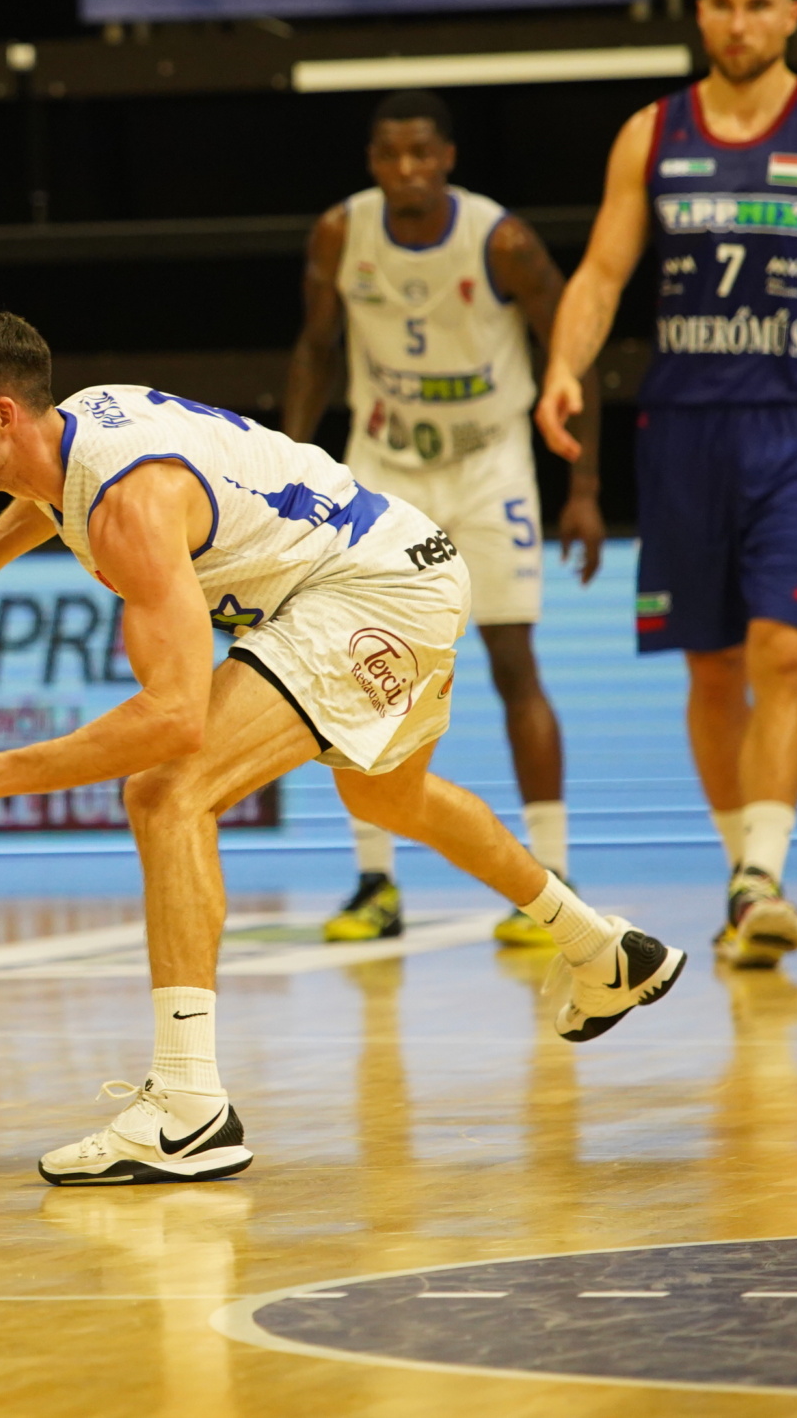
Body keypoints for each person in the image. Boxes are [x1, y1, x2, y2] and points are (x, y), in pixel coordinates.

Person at [0, 306, 684, 1188]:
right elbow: (45, 495)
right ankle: (603, 948)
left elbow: (176, 717)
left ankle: (188, 1107)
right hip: (404, 558)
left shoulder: (133, 504)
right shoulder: (74, 427)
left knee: (166, 792)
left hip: (365, 590)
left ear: (2, 415)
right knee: (387, 797)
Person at [538, 0, 797, 970]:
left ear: (792, 16)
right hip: (685, 430)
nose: (739, 22)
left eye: (758, 5)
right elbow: (601, 271)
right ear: (699, 14)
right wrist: (564, 365)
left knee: (781, 651)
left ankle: (763, 876)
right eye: (721, 4)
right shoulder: (651, 133)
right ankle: (742, 880)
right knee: (710, 667)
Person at [283, 89, 605, 948]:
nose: (407, 169)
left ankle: (553, 874)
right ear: (372, 161)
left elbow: (571, 350)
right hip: (386, 465)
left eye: (422, 153)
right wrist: (288, 469)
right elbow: (315, 348)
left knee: (512, 661)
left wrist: (583, 488)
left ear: (449, 158)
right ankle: (374, 881)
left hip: (488, 464)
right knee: (352, 667)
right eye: (390, 155)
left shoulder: (501, 241)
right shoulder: (340, 233)